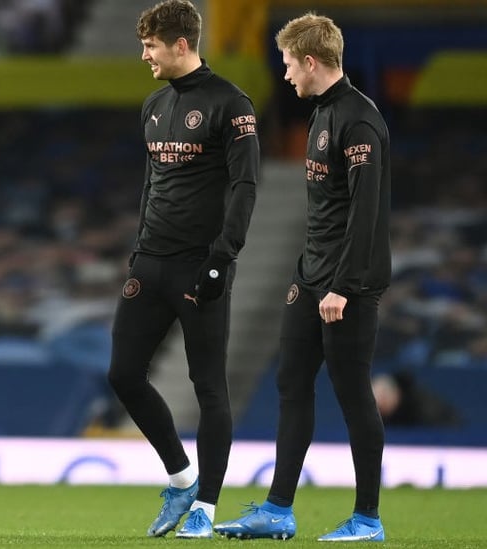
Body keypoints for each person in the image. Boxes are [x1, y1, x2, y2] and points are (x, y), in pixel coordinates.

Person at [214, 12, 391, 542]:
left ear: (311, 61)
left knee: (353, 392)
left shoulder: (358, 120)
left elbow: (366, 213)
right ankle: (277, 510)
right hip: (310, 276)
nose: (286, 74)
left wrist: (343, 285)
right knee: (292, 383)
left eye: (289, 64)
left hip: (347, 285)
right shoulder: (320, 115)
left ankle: (367, 518)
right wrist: (309, 274)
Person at [107, 0, 258, 539]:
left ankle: (207, 509)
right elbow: (154, 182)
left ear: (180, 44)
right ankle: (181, 479)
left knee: (208, 387)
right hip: (151, 261)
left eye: (151, 46)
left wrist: (224, 258)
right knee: (123, 374)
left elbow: (245, 185)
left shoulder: (230, 103)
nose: (144, 55)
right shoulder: (153, 104)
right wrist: (139, 248)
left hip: (201, 266)